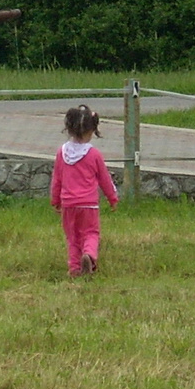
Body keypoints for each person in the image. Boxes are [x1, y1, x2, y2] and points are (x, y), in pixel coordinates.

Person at [50, 104, 118, 277]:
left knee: (72, 237)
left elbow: (56, 179)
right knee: (91, 234)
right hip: (88, 205)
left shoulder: (61, 153)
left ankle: (74, 269)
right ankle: (89, 255)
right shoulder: (94, 154)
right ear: (91, 131)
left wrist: (55, 200)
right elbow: (104, 179)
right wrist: (112, 198)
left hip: (68, 204)